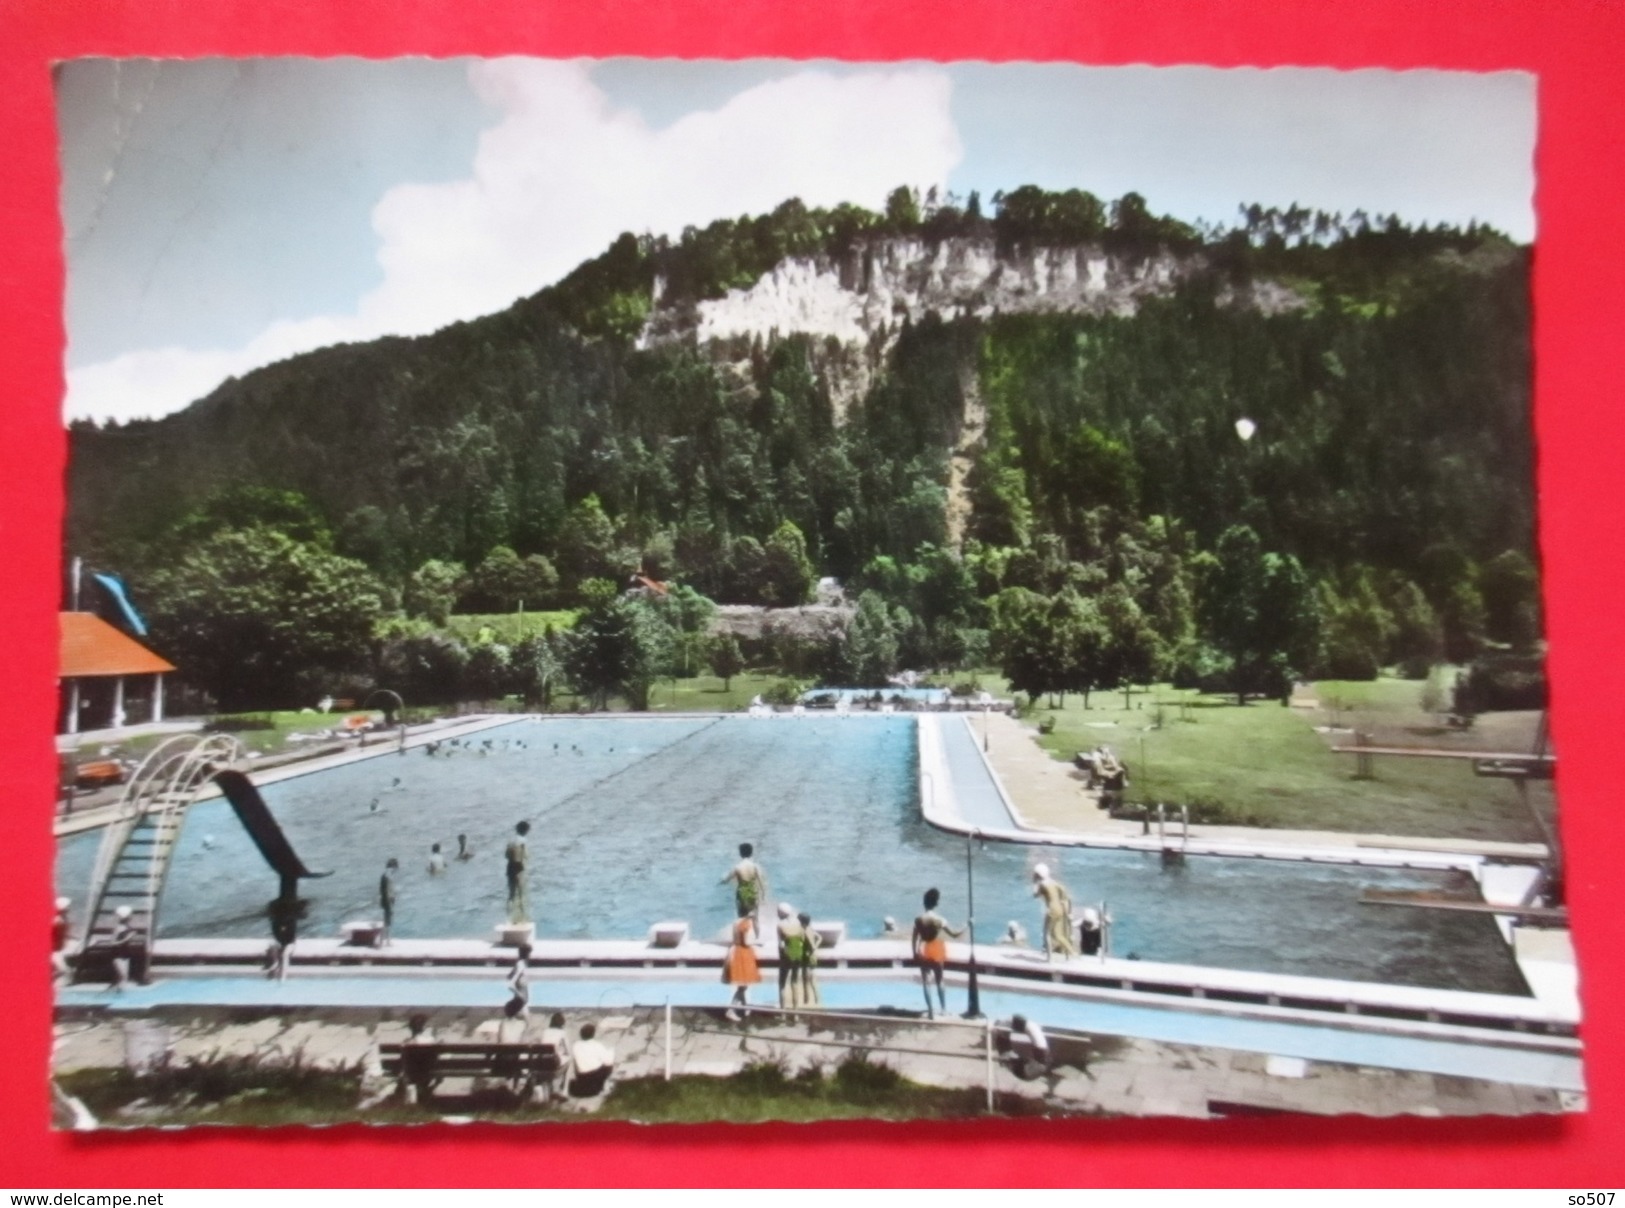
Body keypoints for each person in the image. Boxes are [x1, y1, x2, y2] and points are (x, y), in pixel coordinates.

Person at [912, 887, 965, 1019]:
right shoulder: (940, 920)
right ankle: (943, 1009)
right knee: (940, 980)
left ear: (924, 903)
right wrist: (967, 925)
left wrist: (914, 952)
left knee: (926, 981)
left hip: (923, 948)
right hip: (936, 948)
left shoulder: (918, 920)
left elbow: (914, 938)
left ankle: (930, 1012)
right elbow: (954, 934)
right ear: (936, 903)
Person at [1032, 864, 1077, 961]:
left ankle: (1049, 957)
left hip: (1052, 910)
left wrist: (1034, 883)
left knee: (1047, 933)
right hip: (1060, 909)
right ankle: (1072, 952)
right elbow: (1064, 893)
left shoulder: (1042, 885)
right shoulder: (1054, 882)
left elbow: (1035, 895)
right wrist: (1067, 911)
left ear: (1038, 875)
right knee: (1058, 935)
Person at [722, 912, 760, 1021]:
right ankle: (731, 1010)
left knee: (743, 984)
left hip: (735, 951)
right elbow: (748, 941)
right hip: (743, 954)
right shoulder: (747, 923)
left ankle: (745, 1008)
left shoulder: (736, 921)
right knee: (743, 984)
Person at [720, 842, 767, 925]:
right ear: (751, 853)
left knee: (742, 919)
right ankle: (756, 937)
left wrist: (721, 882)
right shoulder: (755, 866)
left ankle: (744, 936)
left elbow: (727, 880)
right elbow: (761, 882)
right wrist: (763, 895)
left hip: (742, 894)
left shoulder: (737, 867)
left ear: (740, 854)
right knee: (755, 920)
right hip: (753, 893)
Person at [996, 1013, 1051, 1080]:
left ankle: (1008, 1059)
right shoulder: (1040, 1062)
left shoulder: (1012, 1059)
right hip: (1029, 1070)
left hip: (1027, 1071)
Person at [567, 1022, 615, 1098]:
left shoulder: (575, 1045)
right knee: (608, 1063)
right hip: (596, 1076)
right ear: (593, 1034)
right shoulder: (597, 1045)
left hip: (582, 1076)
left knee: (576, 1062)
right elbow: (608, 1062)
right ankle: (603, 1084)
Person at [776, 903, 806, 1008]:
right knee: (794, 982)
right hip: (798, 954)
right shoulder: (798, 923)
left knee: (782, 983)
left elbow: (781, 944)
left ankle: (783, 1012)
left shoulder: (780, 925)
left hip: (786, 956)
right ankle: (796, 1012)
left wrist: (781, 956)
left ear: (781, 913)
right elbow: (802, 939)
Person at [537, 1011, 573, 1100]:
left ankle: (551, 1091)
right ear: (562, 1023)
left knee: (550, 1059)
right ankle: (565, 1091)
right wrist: (562, 1053)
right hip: (553, 1067)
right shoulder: (562, 1033)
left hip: (542, 1066)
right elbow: (568, 1051)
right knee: (570, 1061)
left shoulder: (545, 1032)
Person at [506, 821, 531, 924]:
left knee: (511, 894)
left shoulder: (511, 841)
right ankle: (522, 919)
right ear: (525, 830)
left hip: (510, 868)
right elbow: (525, 856)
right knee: (521, 894)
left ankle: (509, 918)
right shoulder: (523, 841)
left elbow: (506, 855)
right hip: (519, 868)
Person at [796, 910, 822, 1007]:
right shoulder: (810, 929)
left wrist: (811, 949)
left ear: (801, 922)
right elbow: (819, 937)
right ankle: (816, 999)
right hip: (812, 958)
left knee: (806, 981)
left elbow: (811, 945)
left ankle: (806, 1001)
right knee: (812, 980)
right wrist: (815, 947)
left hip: (807, 959)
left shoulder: (805, 931)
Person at [507, 942, 532, 1018]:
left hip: (521, 1004)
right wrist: (520, 995)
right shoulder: (521, 965)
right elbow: (511, 984)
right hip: (520, 1006)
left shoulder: (519, 964)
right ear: (527, 954)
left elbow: (509, 976)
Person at [51, 897, 73, 985]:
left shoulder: (63, 919)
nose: (69, 908)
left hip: (58, 950)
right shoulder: (56, 920)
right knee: (64, 971)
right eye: (67, 907)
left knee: (64, 971)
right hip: (53, 950)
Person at [379, 858, 399, 946]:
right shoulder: (388, 875)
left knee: (386, 920)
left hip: (386, 899)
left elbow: (384, 889)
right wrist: (390, 899)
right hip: (387, 900)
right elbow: (387, 889)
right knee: (388, 920)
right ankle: (387, 940)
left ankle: (384, 939)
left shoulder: (385, 874)